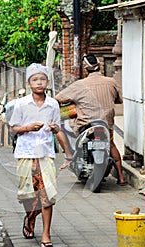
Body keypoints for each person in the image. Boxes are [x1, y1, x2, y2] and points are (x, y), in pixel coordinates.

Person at [9, 63, 60, 247]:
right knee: (28, 196)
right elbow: (13, 128)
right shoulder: (21, 104)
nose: (39, 83)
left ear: (47, 82)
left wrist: (56, 129)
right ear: (29, 83)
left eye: (42, 79)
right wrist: (27, 128)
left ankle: (46, 234)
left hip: (45, 155)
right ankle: (30, 218)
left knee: (47, 195)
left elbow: (58, 127)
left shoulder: (53, 104)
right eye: (35, 79)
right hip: (25, 154)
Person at [55, 54, 126, 185]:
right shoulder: (111, 82)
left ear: (85, 69)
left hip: (86, 125)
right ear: (99, 67)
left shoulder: (79, 85)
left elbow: (57, 99)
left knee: (66, 131)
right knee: (111, 145)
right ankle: (121, 177)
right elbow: (119, 99)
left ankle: (71, 156)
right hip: (106, 124)